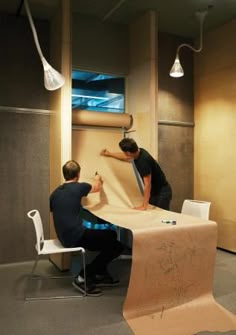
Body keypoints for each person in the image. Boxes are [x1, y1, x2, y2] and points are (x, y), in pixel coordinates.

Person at [50, 160, 124, 297]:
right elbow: (97, 187)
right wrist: (98, 178)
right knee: (117, 246)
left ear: (64, 174)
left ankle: (100, 273)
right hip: (75, 236)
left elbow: (62, 211)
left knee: (110, 236)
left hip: (63, 235)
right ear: (78, 174)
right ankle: (82, 277)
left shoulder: (54, 193)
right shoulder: (79, 187)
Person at [100, 138, 172, 211]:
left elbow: (147, 184)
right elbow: (125, 157)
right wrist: (109, 154)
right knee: (152, 214)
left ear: (128, 152)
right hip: (154, 192)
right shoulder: (139, 152)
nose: (124, 154)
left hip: (161, 193)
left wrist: (144, 206)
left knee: (161, 217)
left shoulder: (143, 162)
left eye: (124, 152)